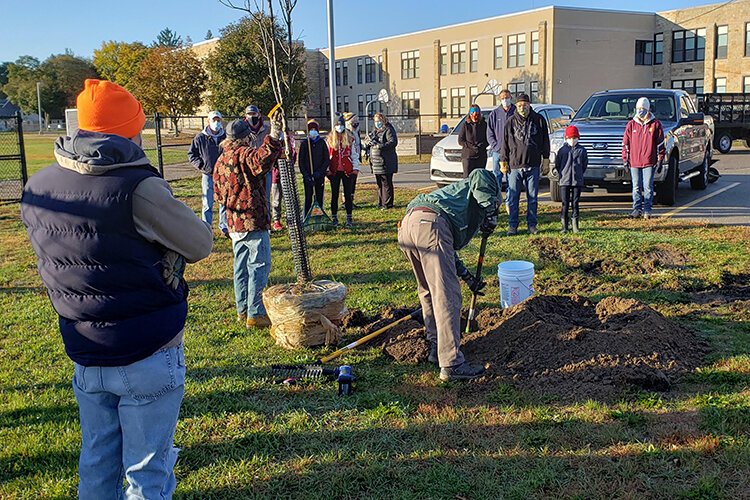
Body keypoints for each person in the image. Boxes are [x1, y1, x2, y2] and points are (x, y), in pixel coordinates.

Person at [20, 79, 213, 498]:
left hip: (85, 348)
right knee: (147, 471)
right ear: (129, 131)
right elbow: (200, 244)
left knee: (97, 461)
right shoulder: (137, 187)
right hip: (148, 348)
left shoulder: (37, 186)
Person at [398, 168, 499, 381]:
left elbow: (445, 249)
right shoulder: (482, 187)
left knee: (428, 290)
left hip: (409, 226)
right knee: (446, 295)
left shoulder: (453, 199)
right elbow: (480, 174)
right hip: (430, 224)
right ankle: (452, 363)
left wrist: (467, 277)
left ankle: (436, 346)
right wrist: (491, 211)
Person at [213, 118, 284, 328]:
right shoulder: (243, 154)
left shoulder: (221, 160)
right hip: (252, 220)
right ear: (246, 137)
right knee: (259, 266)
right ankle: (256, 313)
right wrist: (273, 136)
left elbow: (217, 194)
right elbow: (262, 159)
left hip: (234, 222)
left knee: (241, 268)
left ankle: (242, 310)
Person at [500, 93, 550, 235]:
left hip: (533, 165)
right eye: (520, 105)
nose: (523, 107)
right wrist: (503, 161)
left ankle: (532, 225)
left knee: (532, 197)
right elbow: (504, 143)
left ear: (529, 105)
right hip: (514, 165)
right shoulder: (510, 122)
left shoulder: (539, 120)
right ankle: (513, 225)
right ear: (516, 106)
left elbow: (545, 141)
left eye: (525, 105)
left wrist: (545, 160)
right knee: (513, 197)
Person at [622, 97, 665, 219]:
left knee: (648, 186)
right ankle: (636, 209)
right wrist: (625, 159)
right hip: (634, 162)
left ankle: (647, 210)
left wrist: (660, 160)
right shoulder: (631, 125)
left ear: (647, 109)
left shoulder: (655, 124)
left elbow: (661, 144)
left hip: (649, 162)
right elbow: (625, 144)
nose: (640, 111)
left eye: (643, 109)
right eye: (638, 109)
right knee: (636, 186)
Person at [188, 110, 228, 237]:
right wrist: (201, 166)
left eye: (218, 120)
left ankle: (224, 226)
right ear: (208, 121)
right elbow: (192, 154)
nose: (216, 122)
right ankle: (206, 229)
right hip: (208, 175)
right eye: (214, 120)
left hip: (223, 175)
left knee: (224, 202)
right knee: (207, 203)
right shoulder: (200, 137)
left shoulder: (225, 137)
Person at [553, 125, 588, 233]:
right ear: (566, 138)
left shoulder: (582, 150)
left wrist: (579, 174)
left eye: (575, 138)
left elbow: (584, 164)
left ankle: (575, 226)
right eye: (570, 138)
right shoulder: (562, 151)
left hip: (577, 181)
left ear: (578, 138)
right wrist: (562, 174)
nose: (572, 140)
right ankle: (564, 226)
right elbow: (558, 164)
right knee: (565, 203)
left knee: (575, 203)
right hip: (564, 181)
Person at [327, 115, 358, 228]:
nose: (339, 127)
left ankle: (349, 217)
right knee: (334, 194)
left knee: (348, 194)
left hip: (347, 171)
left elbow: (354, 154)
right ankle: (334, 217)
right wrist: (327, 170)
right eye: (337, 125)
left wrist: (355, 168)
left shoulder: (350, 138)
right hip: (334, 171)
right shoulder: (329, 140)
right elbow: (327, 156)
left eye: (341, 125)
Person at [486, 89, 515, 209]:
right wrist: (496, 146)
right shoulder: (494, 113)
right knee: (496, 175)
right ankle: (497, 200)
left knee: (510, 177)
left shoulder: (515, 111)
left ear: (511, 97)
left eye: (507, 97)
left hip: (512, 152)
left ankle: (509, 201)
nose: (505, 100)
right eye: (503, 98)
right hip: (497, 151)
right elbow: (489, 133)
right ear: (500, 99)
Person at [245, 104, 273, 215]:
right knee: (250, 196)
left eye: (254, 114)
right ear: (246, 115)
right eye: (249, 114)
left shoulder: (266, 129)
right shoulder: (243, 130)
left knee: (266, 196)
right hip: (249, 168)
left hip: (266, 168)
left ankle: (267, 219)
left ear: (259, 114)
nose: (252, 116)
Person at [367, 112, 398, 209]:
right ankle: (381, 202)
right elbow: (370, 139)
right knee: (379, 183)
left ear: (383, 120)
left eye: (379, 121)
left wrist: (380, 146)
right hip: (376, 162)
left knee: (386, 183)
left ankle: (388, 203)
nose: (377, 123)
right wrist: (369, 142)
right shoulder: (376, 131)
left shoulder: (388, 129)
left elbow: (393, 142)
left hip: (386, 161)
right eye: (376, 121)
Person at [298, 119, 330, 216]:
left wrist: (320, 172)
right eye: (310, 129)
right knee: (308, 197)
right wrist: (306, 175)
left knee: (319, 197)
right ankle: (306, 216)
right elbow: (301, 162)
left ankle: (318, 215)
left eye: (314, 129)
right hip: (308, 176)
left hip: (319, 176)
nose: (313, 131)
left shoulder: (322, 143)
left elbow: (326, 159)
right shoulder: (305, 144)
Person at [458, 103, 489, 178]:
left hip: (481, 155)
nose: (475, 116)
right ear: (470, 114)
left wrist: (482, 145)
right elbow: (460, 140)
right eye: (473, 114)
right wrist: (471, 146)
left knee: (479, 176)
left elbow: (488, 138)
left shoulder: (484, 124)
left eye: (477, 114)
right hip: (468, 156)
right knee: (467, 177)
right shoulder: (465, 125)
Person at [343, 111, 362, 208]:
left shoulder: (356, 131)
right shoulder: (346, 132)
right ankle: (345, 201)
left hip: (356, 159)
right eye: (354, 121)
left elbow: (358, 144)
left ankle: (351, 200)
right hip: (348, 161)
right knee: (348, 182)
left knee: (353, 182)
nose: (356, 122)